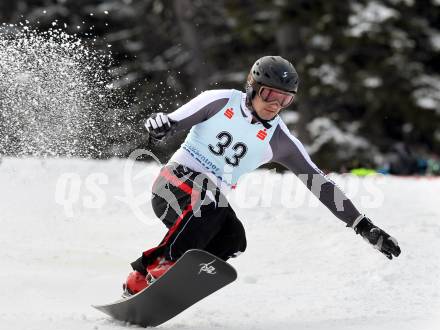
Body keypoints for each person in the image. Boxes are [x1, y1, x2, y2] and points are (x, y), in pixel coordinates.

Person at [123, 56, 401, 296]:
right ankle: (166, 264)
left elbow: (320, 185)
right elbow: (171, 123)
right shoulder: (219, 101)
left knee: (233, 240)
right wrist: (160, 125)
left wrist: (362, 225)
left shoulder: (280, 140)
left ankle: (141, 277)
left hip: (203, 208)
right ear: (253, 88)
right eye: (270, 95)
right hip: (172, 186)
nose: (275, 105)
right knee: (211, 201)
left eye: (285, 99)